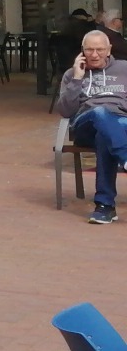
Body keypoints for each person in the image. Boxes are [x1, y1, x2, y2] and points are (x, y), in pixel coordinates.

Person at [57, 30, 127, 224]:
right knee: (100, 113)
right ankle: (125, 157)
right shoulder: (72, 74)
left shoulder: (124, 69)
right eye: (89, 50)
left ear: (109, 49)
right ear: (82, 51)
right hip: (85, 124)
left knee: (105, 135)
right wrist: (77, 79)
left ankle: (105, 207)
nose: (94, 55)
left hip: (119, 124)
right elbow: (65, 110)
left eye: (99, 49)